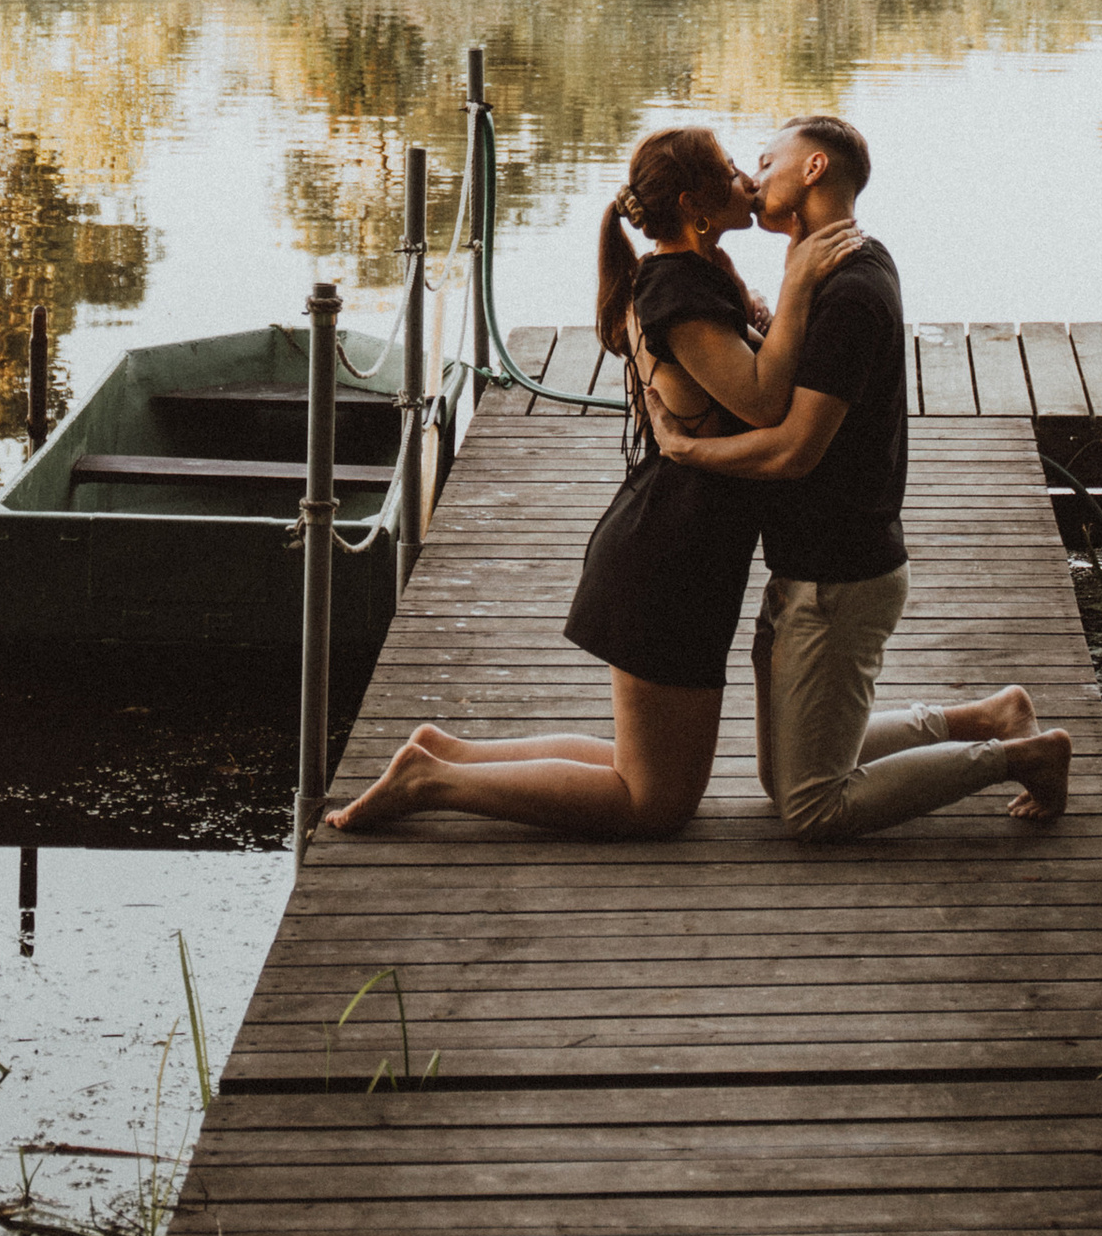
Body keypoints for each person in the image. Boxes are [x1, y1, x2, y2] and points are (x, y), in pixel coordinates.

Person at [324, 125, 859, 838]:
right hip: (671, 556)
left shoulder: (691, 277)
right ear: (694, 204)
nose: (749, 181)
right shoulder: (678, 293)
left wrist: (778, 294)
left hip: (683, 545)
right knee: (654, 803)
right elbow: (763, 402)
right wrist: (799, 283)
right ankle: (433, 781)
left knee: (639, 771)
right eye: (734, 170)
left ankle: (444, 754)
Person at [651, 113, 1071, 840]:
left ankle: (1020, 756)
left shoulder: (849, 288)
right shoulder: (829, 264)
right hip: (807, 563)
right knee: (782, 779)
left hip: (839, 575)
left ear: (813, 168)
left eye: (767, 161)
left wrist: (686, 452)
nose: (752, 178)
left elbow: (794, 451)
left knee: (812, 807)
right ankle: (991, 716)